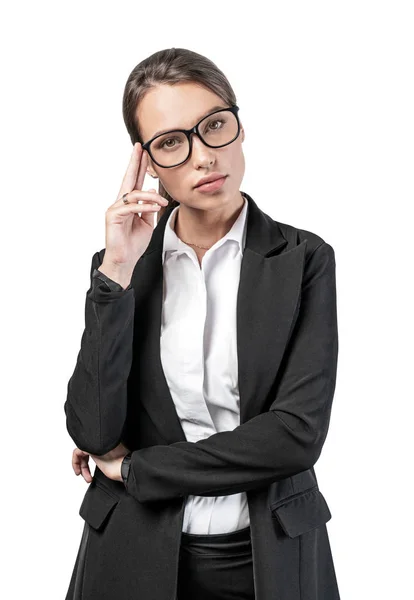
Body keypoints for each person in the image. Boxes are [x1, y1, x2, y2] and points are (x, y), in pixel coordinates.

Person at [64, 48, 340, 600]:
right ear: (147, 163)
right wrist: (115, 272)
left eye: (214, 126)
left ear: (238, 128)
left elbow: (294, 437)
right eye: (171, 141)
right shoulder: (120, 265)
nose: (203, 157)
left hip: (270, 554)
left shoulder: (304, 258)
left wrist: (136, 470)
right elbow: (93, 431)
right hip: (131, 552)